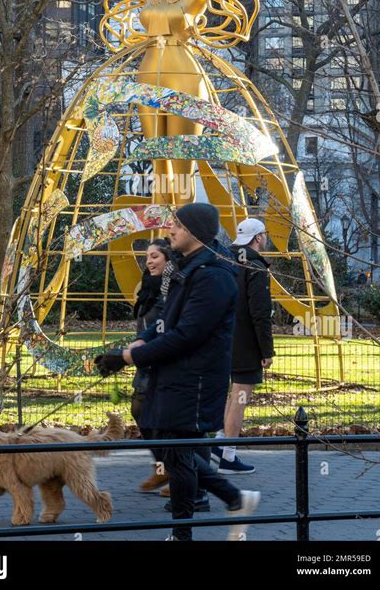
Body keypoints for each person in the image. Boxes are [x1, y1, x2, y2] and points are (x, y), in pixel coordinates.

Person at [96, 203, 260, 541]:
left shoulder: (213, 275)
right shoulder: (186, 268)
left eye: (177, 226)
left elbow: (188, 335)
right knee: (169, 445)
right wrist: (141, 342)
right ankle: (235, 498)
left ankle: (182, 533)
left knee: (179, 453)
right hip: (174, 374)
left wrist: (128, 358)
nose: (170, 230)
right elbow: (164, 320)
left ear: (195, 232)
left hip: (195, 379)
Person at [211, 218, 274, 474]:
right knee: (240, 395)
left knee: (233, 393)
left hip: (224, 336)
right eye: (265, 235)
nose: (266, 239)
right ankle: (228, 454)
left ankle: (220, 442)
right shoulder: (256, 266)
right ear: (257, 238)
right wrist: (266, 350)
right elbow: (260, 312)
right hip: (246, 341)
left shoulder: (225, 259)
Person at [132, 239, 174, 493]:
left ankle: (176, 470)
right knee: (140, 410)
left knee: (161, 418)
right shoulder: (148, 287)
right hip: (145, 358)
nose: (149, 261)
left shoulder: (170, 288)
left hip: (162, 359)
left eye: (155, 256)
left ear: (168, 260)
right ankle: (163, 467)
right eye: (147, 256)